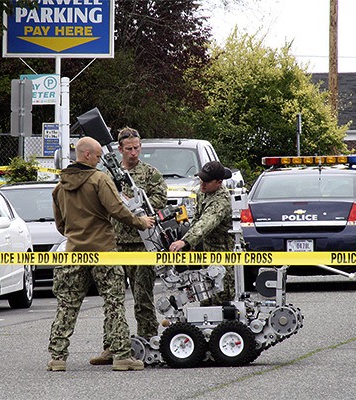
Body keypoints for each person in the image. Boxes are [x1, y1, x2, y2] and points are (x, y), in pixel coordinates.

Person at [47, 136, 155, 372]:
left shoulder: (59, 186)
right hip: (104, 251)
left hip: (74, 252)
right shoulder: (99, 179)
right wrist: (140, 222)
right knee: (114, 303)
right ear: (87, 155)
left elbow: (60, 225)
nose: (99, 160)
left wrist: (77, 234)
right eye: (97, 156)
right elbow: (117, 210)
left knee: (67, 304)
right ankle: (121, 356)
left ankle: (57, 357)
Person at [90, 127, 167, 366]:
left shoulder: (150, 173)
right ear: (120, 149)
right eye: (129, 148)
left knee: (143, 297)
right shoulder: (107, 175)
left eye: (137, 147)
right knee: (112, 299)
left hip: (141, 245)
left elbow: (160, 199)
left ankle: (149, 341)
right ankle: (112, 346)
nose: (134, 152)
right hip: (113, 243)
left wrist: (137, 203)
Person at [168, 160, 236, 306]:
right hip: (205, 252)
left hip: (223, 255)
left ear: (218, 182)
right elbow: (197, 219)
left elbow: (206, 223)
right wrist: (190, 243)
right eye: (201, 179)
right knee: (204, 298)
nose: (202, 184)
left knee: (221, 300)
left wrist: (185, 242)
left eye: (206, 181)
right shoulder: (202, 192)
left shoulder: (221, 200)